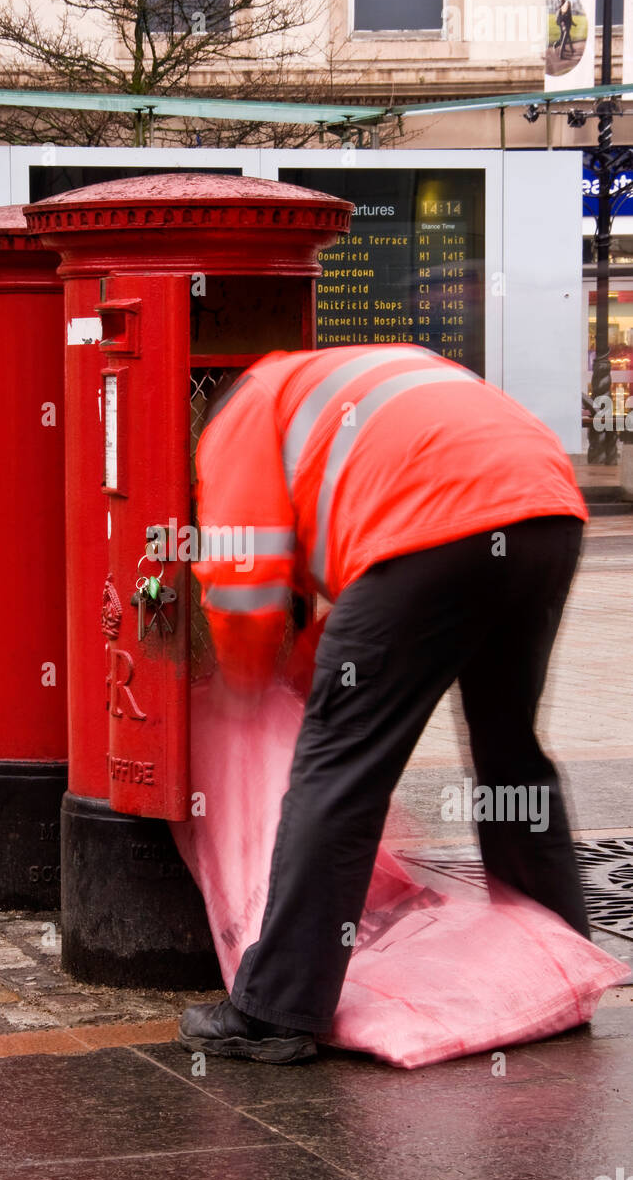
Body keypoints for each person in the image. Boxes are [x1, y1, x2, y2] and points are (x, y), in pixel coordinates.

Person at [179, 343, 590, 1065]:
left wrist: (244, 690)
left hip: (438, 526)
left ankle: (276, 1009)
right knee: (509, 748)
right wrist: (310, 676)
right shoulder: (358, 380)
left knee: (339, 771)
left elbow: (245, 577)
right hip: (545, 507)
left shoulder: (240, 411)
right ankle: (561, 966)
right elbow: (376, 601)